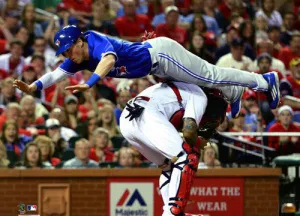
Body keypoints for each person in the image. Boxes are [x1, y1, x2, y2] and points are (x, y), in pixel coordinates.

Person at [13, 25, 281, 120]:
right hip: (156, 68)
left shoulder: (93, 40)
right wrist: (33, 87)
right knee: (203, 85)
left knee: (210, 76)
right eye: (65, 52)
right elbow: (54, 75)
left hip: (162, 55)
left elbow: (108, 59)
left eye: (69, 49)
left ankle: (264, 80)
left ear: (79, 42)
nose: (67, 55)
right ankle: (233, 92)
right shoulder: (78, 57)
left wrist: (92, 82)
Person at [120, 80, 228, 216]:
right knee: (187, 157)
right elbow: (189, 133)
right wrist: (199, 142)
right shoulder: (200, 96)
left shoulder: (185, 89)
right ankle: (173, 215)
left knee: (169, 165)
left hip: (128, 120)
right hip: (148, 113)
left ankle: (170, 215)